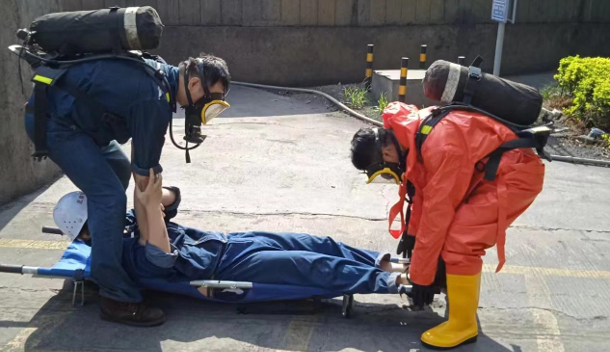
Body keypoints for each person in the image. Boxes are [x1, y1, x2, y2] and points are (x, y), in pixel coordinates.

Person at [25, 53, 230, 327]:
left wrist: (152, 204)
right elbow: (145, 176)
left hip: (77, 122)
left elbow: (138, 168)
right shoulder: (154, 98)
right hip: (56, 123)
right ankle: (115, 296)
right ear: (194, 84)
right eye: (209, 99)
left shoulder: (159, 79)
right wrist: (151, 236)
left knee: (118, 171)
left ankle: (104, 241)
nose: (207, 107)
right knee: (109, 197)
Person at [350, 102, 545, 349]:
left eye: (385, 172)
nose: (391, 175)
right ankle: (457, 291)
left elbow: (437, 213)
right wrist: (412, 235)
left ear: (386, 154)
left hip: (512, 177)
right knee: (447, 236)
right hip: (489, 173)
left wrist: (420, 277)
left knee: (460, 241)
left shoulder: (440, 145)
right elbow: (424, 194)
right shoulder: (414, 133)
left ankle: (463, 325)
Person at [53, 179, 411, 307]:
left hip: (229, 242)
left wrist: (151, 193)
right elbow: (160, 258)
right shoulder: (121, 254)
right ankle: (394, 282)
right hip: (222, 266)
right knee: (308, 266)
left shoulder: (127, 222)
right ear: (87, 234)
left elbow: (173, 198)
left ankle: (384, 262)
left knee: (315, 242)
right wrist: (150, 211)